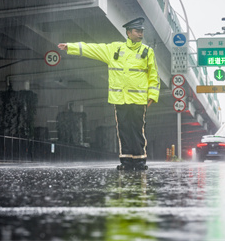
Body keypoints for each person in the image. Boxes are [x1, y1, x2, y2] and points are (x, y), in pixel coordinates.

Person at [57, 17, 159, 171]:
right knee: (123, 129)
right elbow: (93, 49)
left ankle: (139, 160)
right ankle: (126, 161)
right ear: (128, 33)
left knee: (137, 129)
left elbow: (153, 75)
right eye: (137, 31)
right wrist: (70, 47)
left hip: (138, 99)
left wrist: (152, 95)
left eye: (141, 32)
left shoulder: (147, 52)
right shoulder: (115, 49)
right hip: (120, 99)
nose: (140, 34)